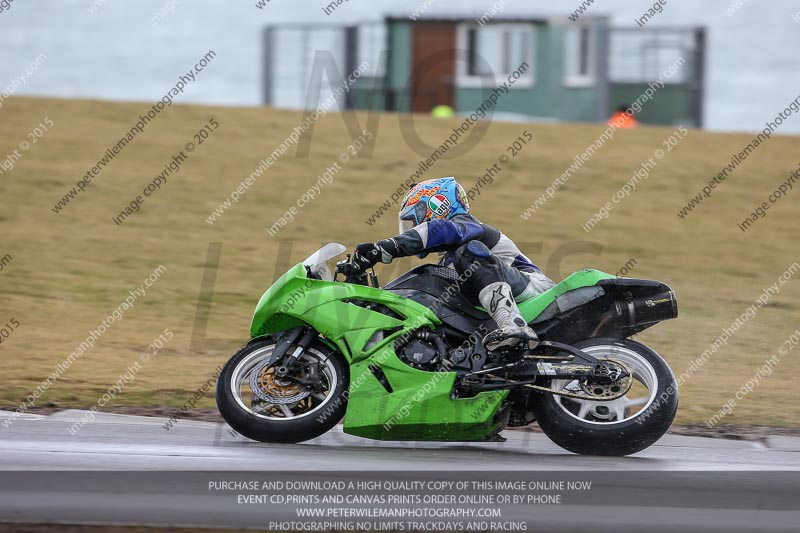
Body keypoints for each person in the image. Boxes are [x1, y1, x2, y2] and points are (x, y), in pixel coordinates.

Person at [350, 177, 555, 352]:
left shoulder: (467, 228)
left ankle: (513, 325)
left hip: (535, 288)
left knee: (468, 254)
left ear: (437, 206)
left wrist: (388, 246)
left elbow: (442, 230)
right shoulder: (449, 258)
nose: (414, 227)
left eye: (416, 220)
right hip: (495, 301)